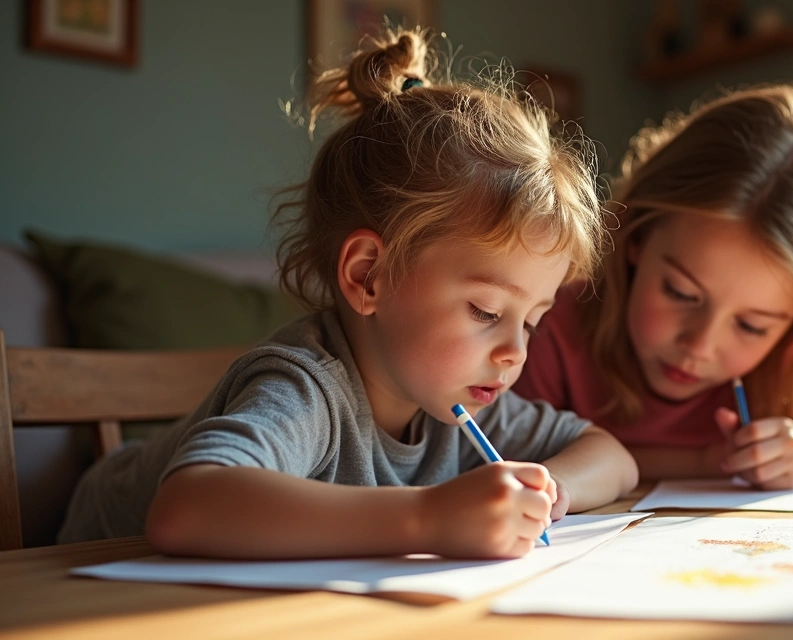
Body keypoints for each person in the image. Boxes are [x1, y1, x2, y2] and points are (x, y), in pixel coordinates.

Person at [59, 26, 638, 559]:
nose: (516, 351)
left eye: (531, 321)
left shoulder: (452, 400)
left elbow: (612, 457)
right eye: (486, 310)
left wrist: (548, 490)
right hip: (77, 571)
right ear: (368, 276)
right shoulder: (306, 388)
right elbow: (187, 508)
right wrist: (428, 517)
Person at [515, 84, 793, 490]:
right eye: (680, 293)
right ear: (635, 237)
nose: (700, 344)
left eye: (753, 326)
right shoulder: (551, 328)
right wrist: (704, 462)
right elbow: (507, 460)